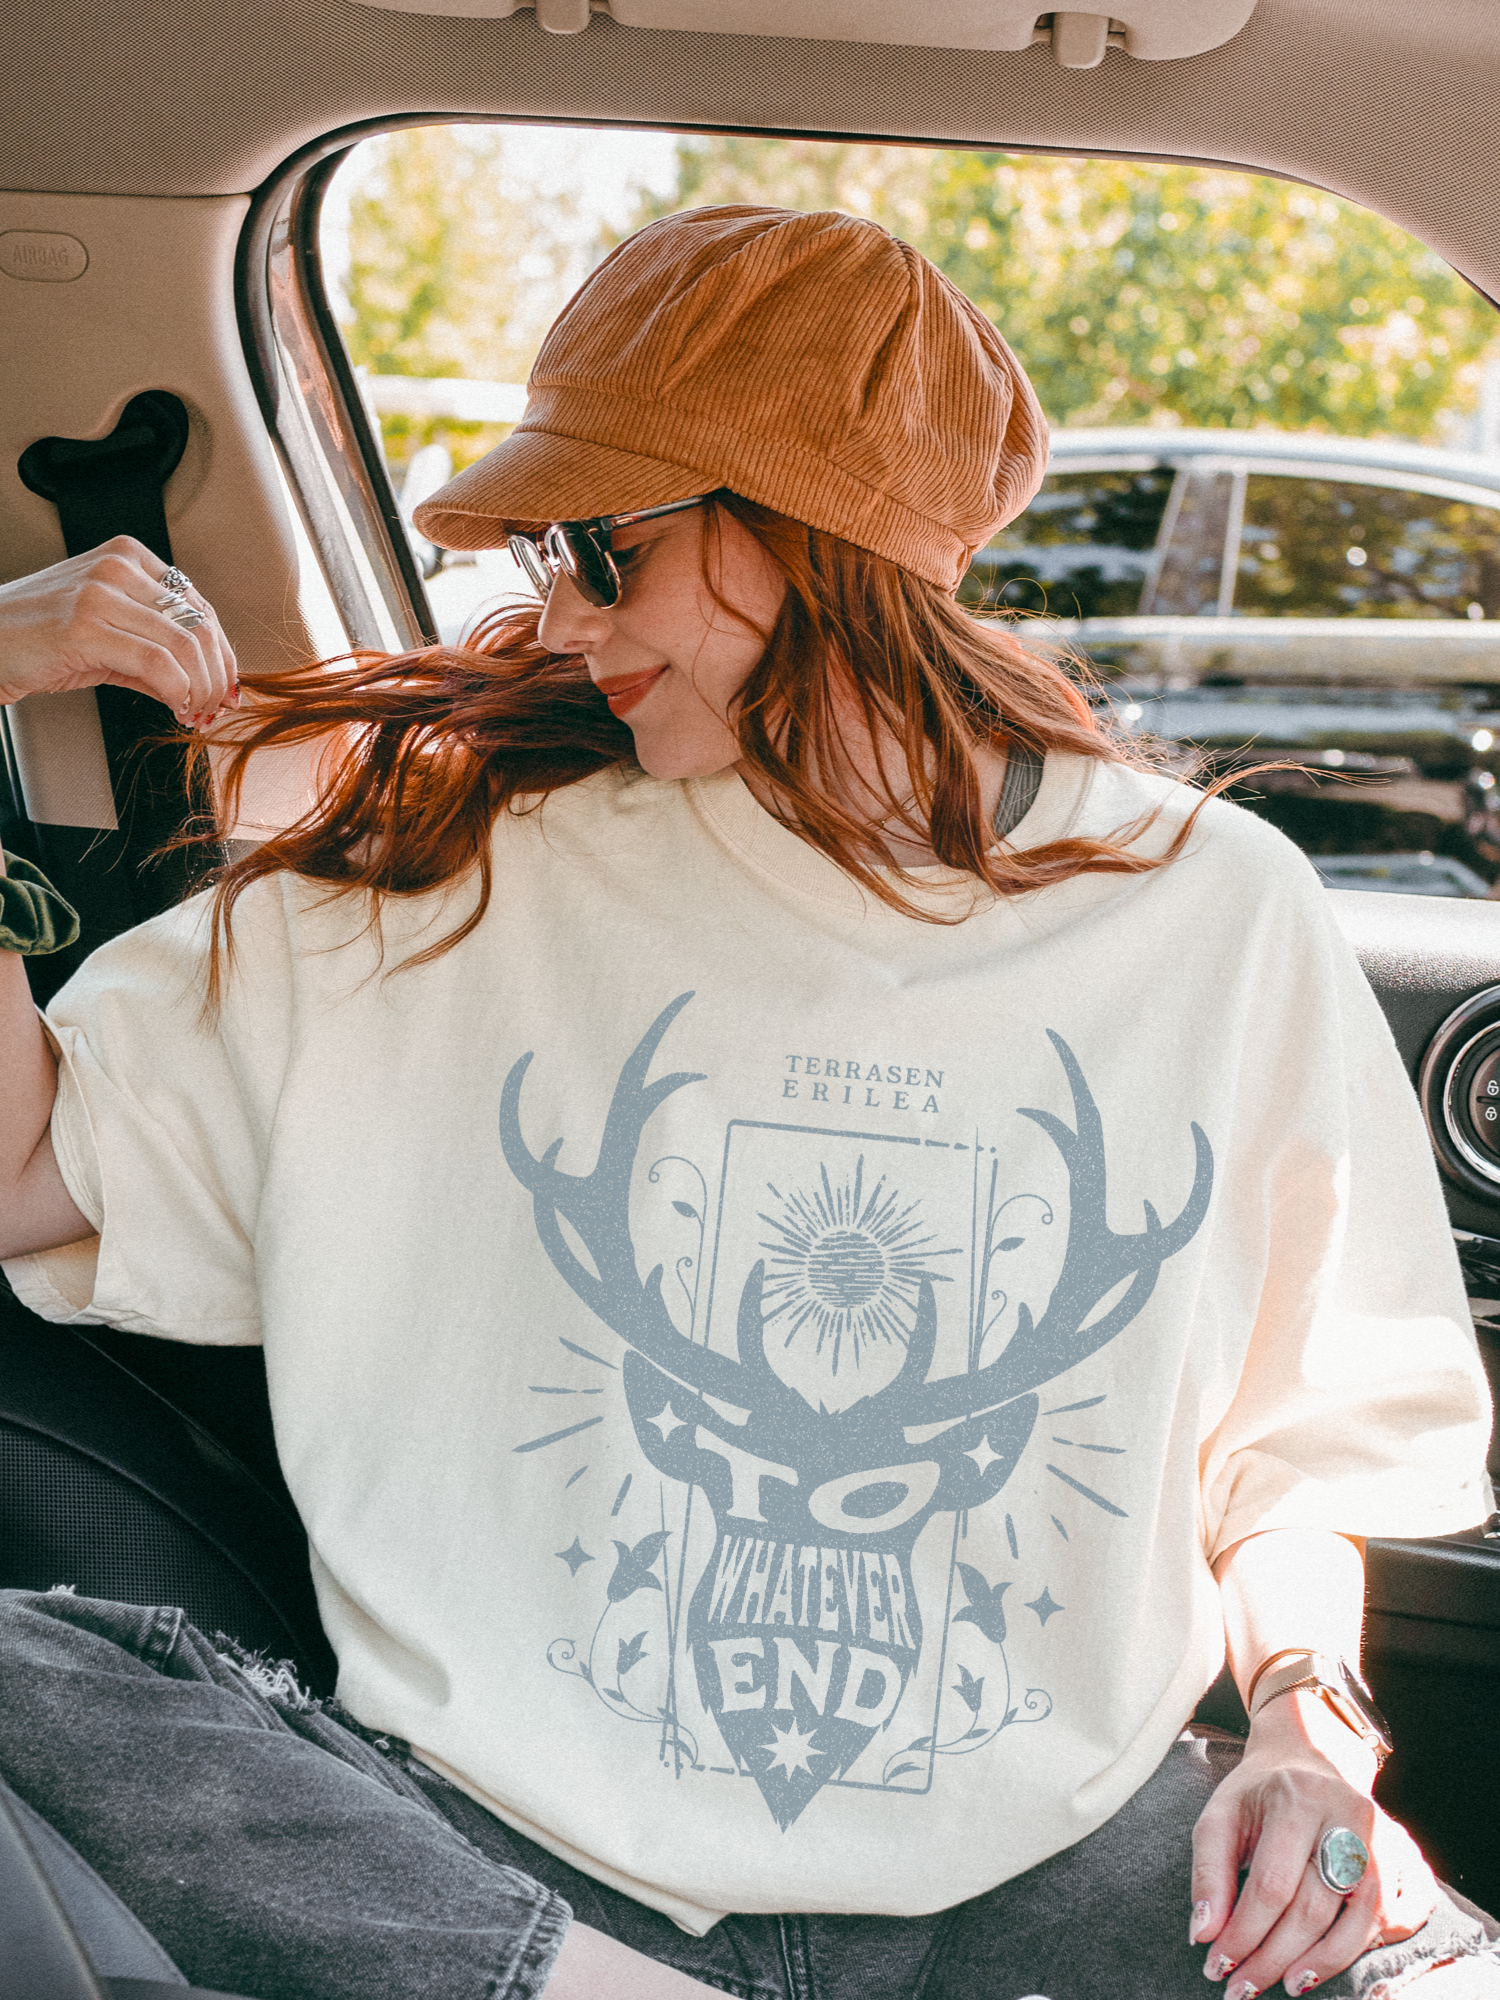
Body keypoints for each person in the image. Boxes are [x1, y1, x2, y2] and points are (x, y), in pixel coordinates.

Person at [0, 203, 1495, 2000]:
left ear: (810, 534)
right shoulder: (435, 875)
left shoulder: (1214, 910)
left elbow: (1297, 1448)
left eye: (603, 552)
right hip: (484, 1844)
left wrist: (1308, 1739)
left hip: (1042, 1872)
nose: (557, 612)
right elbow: (23, 1168)